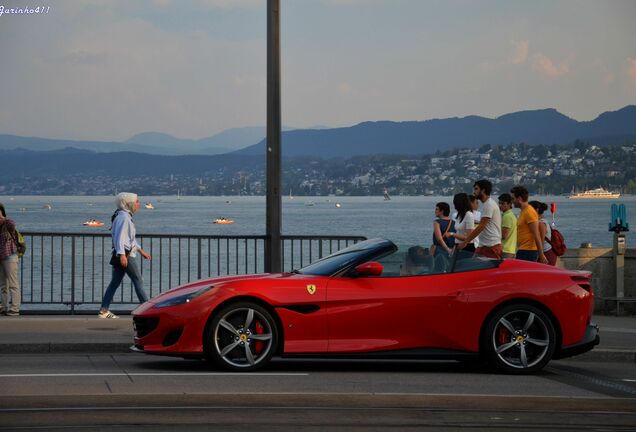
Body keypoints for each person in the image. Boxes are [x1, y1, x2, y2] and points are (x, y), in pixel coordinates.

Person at [99, 193, 152, 319]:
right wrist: (122, 255)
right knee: (138, 281)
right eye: (137, 202)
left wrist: (140, 250)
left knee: (114, 283)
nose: (139, 204)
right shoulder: (124, 218)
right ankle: (148, 310)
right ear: (129, 203)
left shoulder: (123, 215)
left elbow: (130, 239)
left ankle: (104, 310)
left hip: (123, 254)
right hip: (126, 255)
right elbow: (121, 238)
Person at [458, 179, 502, 259]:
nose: (473, 191)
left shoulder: (489, 205)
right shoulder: (487, 204)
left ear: (483, 190)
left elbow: (481, 226)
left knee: (483, 269)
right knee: (473, 267)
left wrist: (465, 242)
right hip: (483, 245)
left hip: (491, 246)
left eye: (476, 189)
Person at [510, 186, 548, 264]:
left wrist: (541, 254)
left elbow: (536, 235)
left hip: (528, 251)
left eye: (513, 198)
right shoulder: (523, 211)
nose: (512, 201)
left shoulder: (529, 212)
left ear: (519, 198)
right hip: (523, 250)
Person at [0, 203, 21, 316]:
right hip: (0, 257)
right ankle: (3, 307)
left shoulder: (7, 223)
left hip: (10, 255)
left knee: (13, 283)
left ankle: (14, 308)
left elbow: (12, 224)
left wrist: (3, 218)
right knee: (3, 285)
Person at [530, 200, 557, 266]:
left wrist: (540, 256)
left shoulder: (541, 223)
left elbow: (540, 241)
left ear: (536, 210)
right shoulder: (542, 221)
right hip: (546, 253)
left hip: (546, 254)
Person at [498, 193, 517, 259]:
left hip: (505, 250)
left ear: (509, 204)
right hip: (510, 249)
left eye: (503, 203)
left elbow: (504, 235)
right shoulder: (511, 215)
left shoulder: (507, 216)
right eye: (499, 203)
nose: (500, 205)